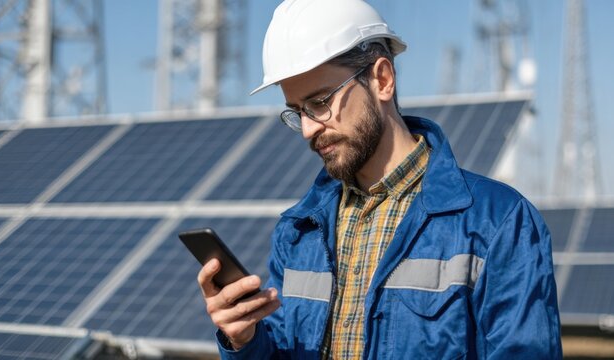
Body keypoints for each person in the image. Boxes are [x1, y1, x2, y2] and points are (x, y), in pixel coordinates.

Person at [197, 0, 563, 358]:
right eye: (296, 112)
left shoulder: (498, 222)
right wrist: (245, 342)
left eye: (320, 101)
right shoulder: (298, 231)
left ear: (382, 79)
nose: (308, 129)